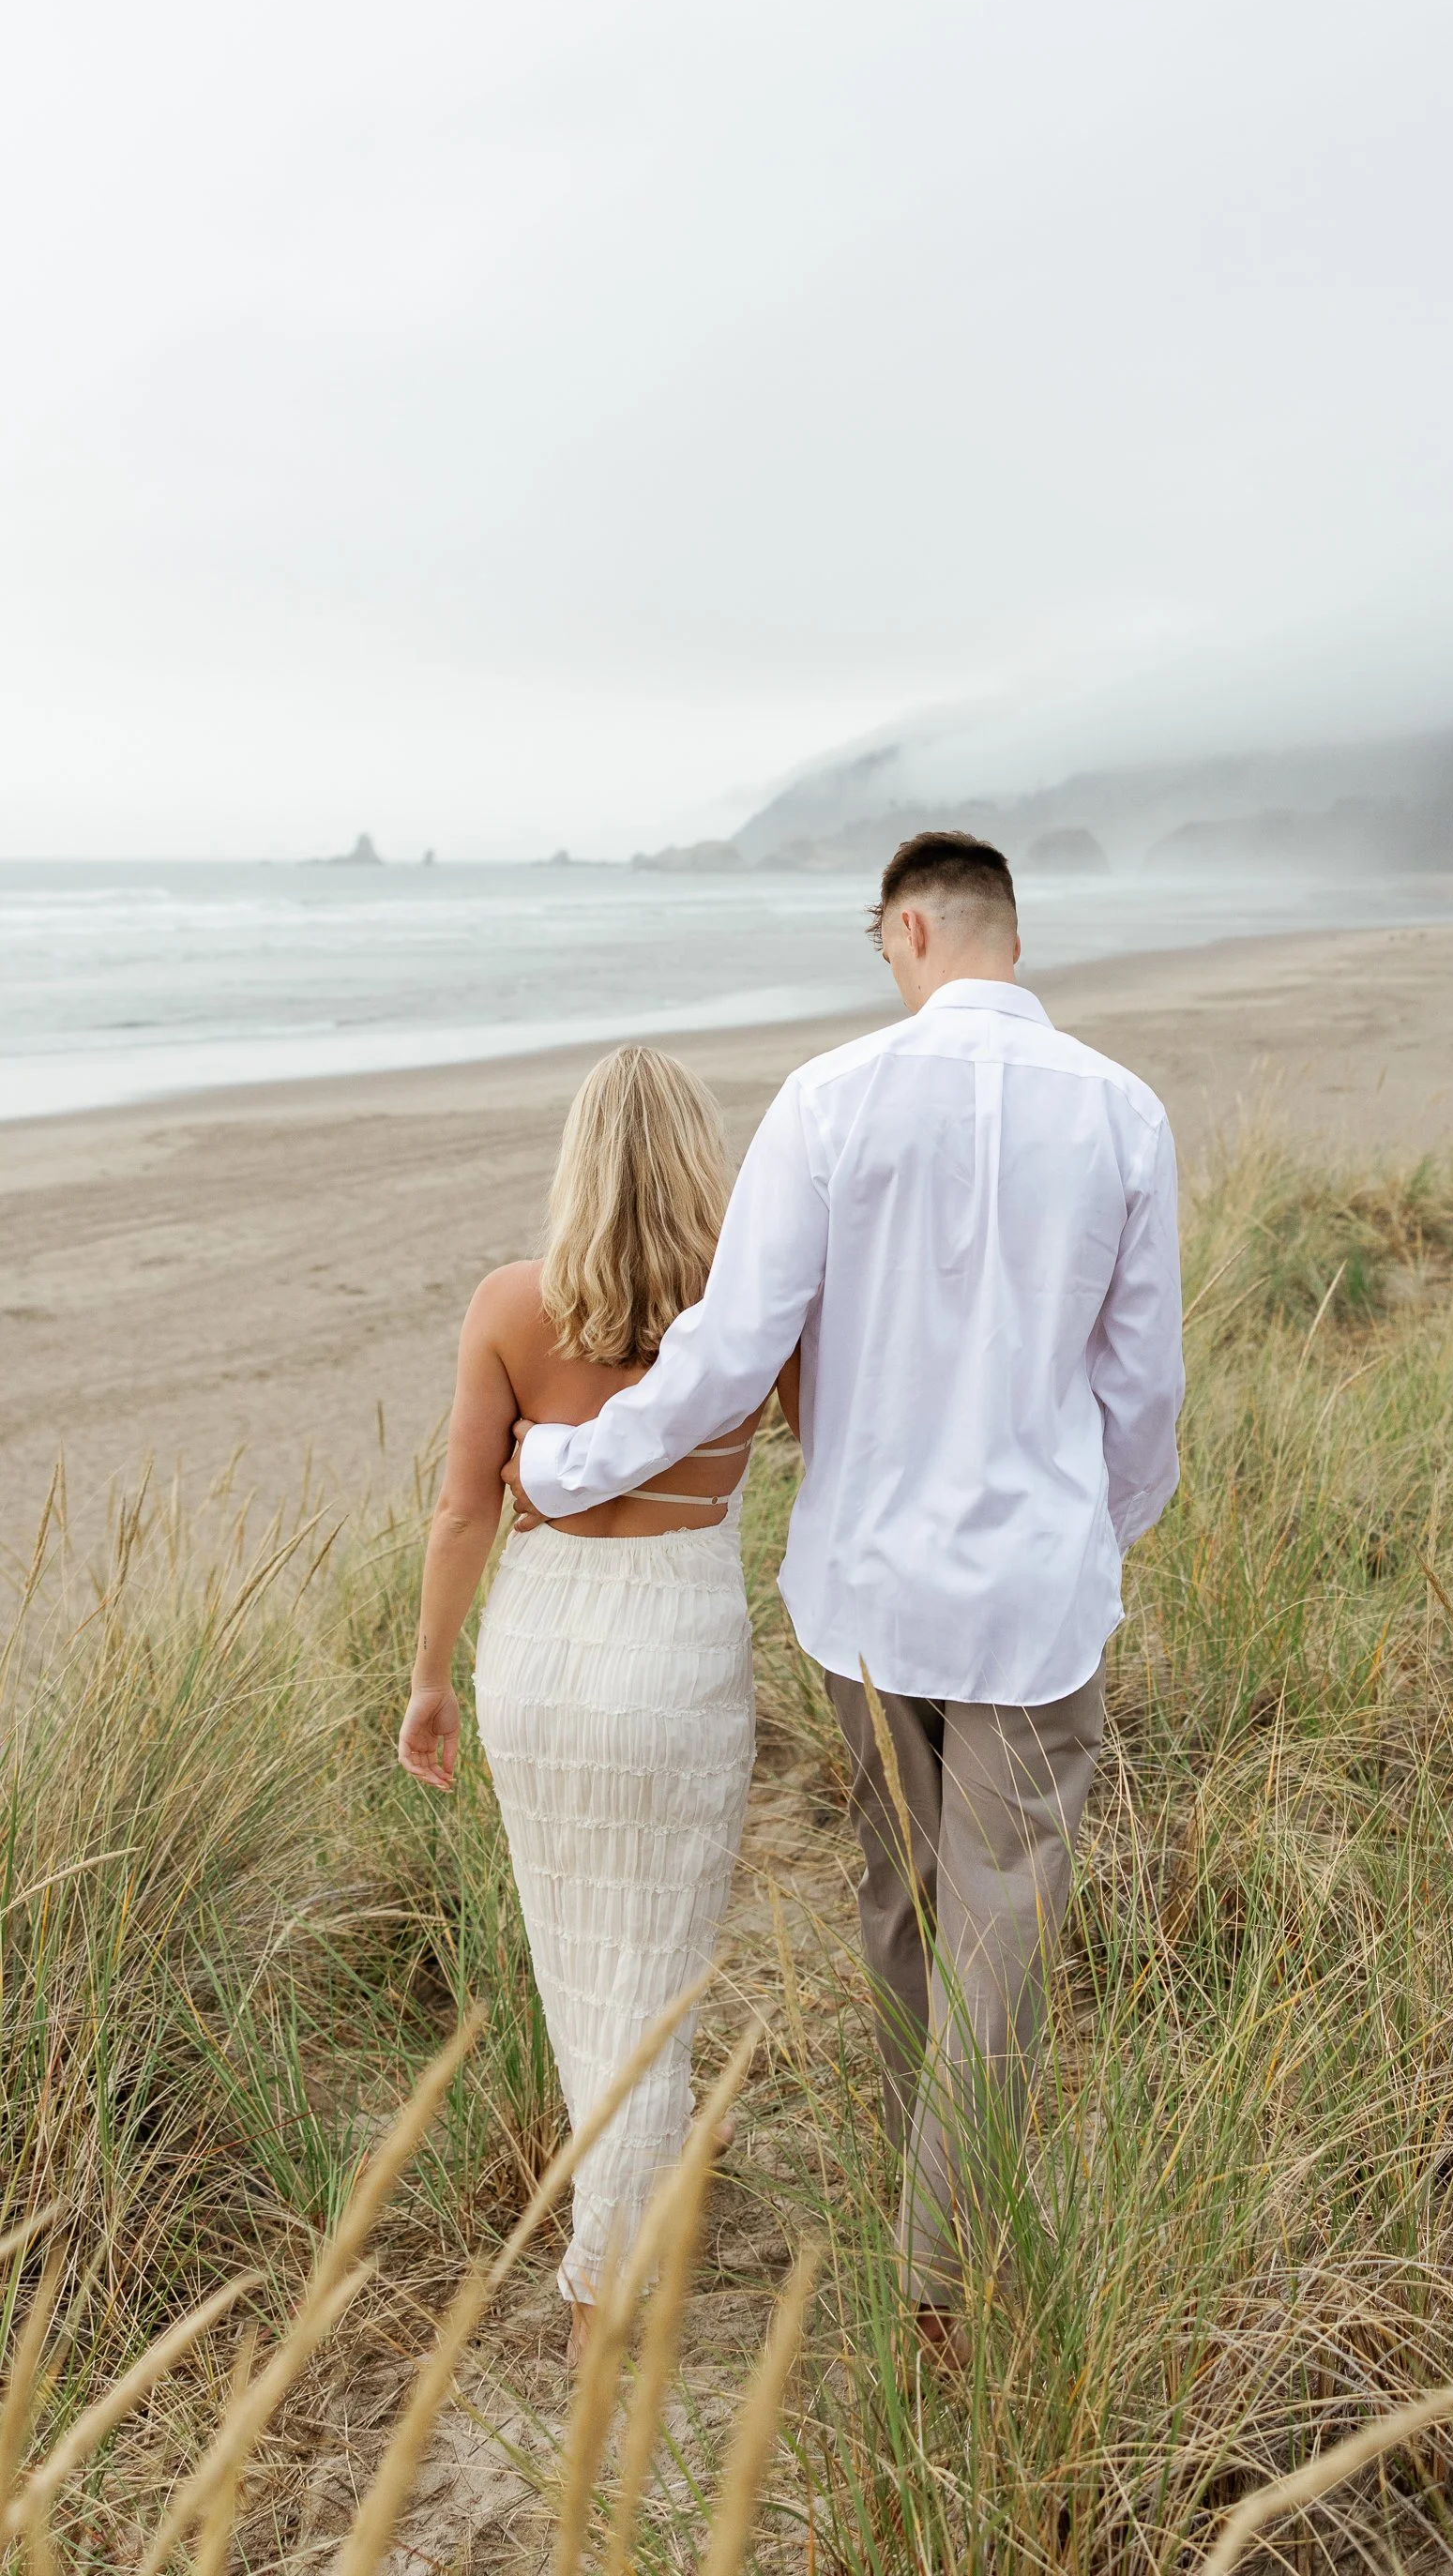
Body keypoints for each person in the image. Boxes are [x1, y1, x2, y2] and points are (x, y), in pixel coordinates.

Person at [505, 831, 1185, 2350]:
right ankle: (947, 2262)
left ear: (914, 927)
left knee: (903, 1900)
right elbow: (1144, 1395)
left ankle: (925, 2221)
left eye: (880, 938)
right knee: (998, 1921)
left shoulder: (827, 1101)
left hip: (866, 1599)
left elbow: (730, 1354)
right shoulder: (1126, 1117)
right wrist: (1101, 1536)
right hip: (1032, 1601)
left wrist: (561, 1473)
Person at [398, 1044, 794, 2364]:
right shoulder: (748, 1308)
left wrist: (429, 1678)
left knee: (581, 1960)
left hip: (541, 1650)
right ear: (698, 1165)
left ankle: (630, 2202)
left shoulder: (511, 1306)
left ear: (577, 1163)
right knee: (656, 1963)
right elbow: (826, 1432)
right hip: (675, 1647)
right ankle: (601, 2287)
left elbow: (464, 1507)